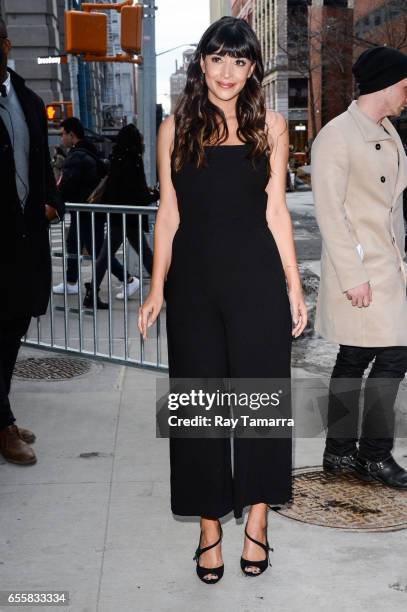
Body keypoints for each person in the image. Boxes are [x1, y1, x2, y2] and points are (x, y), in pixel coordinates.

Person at [138, 17, 307, 583]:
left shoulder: (273, 126)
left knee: (260, 404)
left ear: (252, 67)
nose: (227, 72)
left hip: (257, 283)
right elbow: (169, 214)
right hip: (194, 288)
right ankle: (209, 526)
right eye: (217, 59)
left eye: (239, 60)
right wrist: (158, 286)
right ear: (201, 64)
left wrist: (293, 285)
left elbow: (276, 212)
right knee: (198, 407)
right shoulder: (174, 128)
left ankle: (258, 521)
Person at [312, 46, 407, 489]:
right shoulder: (336, 136)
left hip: (389, 267)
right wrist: (354, 277)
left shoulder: (387, 130)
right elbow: (331, 213)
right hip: (362, 271)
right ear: (387, 86)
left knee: (353, 358)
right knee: (393, 356)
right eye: (405, 85)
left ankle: (338, 451)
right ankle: (372, 455)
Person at [0, 17, 64, 464]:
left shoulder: (28, 99)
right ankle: (3, 424)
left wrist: (51, 203)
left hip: (25, 245)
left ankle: (0, 414)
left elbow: (42, 166)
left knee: (12, 333)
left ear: (4, 44)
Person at [53, 117, 119, 307]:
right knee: (74, 244)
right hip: (88, 210)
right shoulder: (90, 152)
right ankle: (71, 281)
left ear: (72, 135)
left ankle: (128, 279)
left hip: (84, 210)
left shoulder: (76, 156)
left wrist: (56, 200)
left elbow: (67, 186)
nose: (61, 139)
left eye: (63, 134)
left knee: (97, 250)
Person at [91, 123, 155, 304]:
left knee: (106, 255)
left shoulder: (117, 158)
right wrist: (156, 193)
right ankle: (166, 290)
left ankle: (91, 293)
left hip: (119, 215)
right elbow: (139, 194)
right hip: (129, 216)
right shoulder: (133, 160)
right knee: (145, 254)